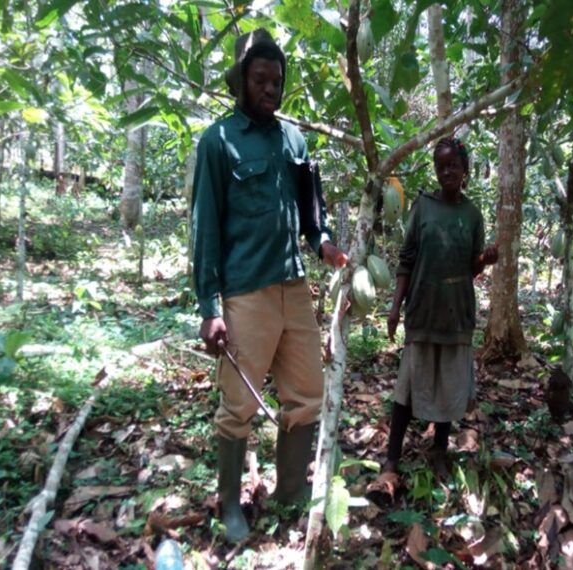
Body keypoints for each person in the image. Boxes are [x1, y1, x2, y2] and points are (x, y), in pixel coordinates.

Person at [191, 29, 348, 542]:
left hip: (294, 288)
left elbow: (311, 209)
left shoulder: (294, 140)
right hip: (245, 291)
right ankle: (230, 507)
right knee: (238, 406)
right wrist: (210, 305)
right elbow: (205, 227)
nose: (270, 90)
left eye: (277, 82)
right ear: (241, 82)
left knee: (306, 393)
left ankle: (289, 493)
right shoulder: (218, 141)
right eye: (260, 80)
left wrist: (323, 241)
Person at [383, 137, 498, 480]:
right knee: (407, 386)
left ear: (465, 170)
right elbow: (407, 259)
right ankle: (391, 458)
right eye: (441, 165)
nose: (446, 171)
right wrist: (394, 308)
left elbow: (470, 267)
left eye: (453, 165)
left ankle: (439, 452)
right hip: (423, 307)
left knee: (449, 385)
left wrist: (485, 260)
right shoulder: (423, 207)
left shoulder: (472, 214)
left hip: (456, 310)